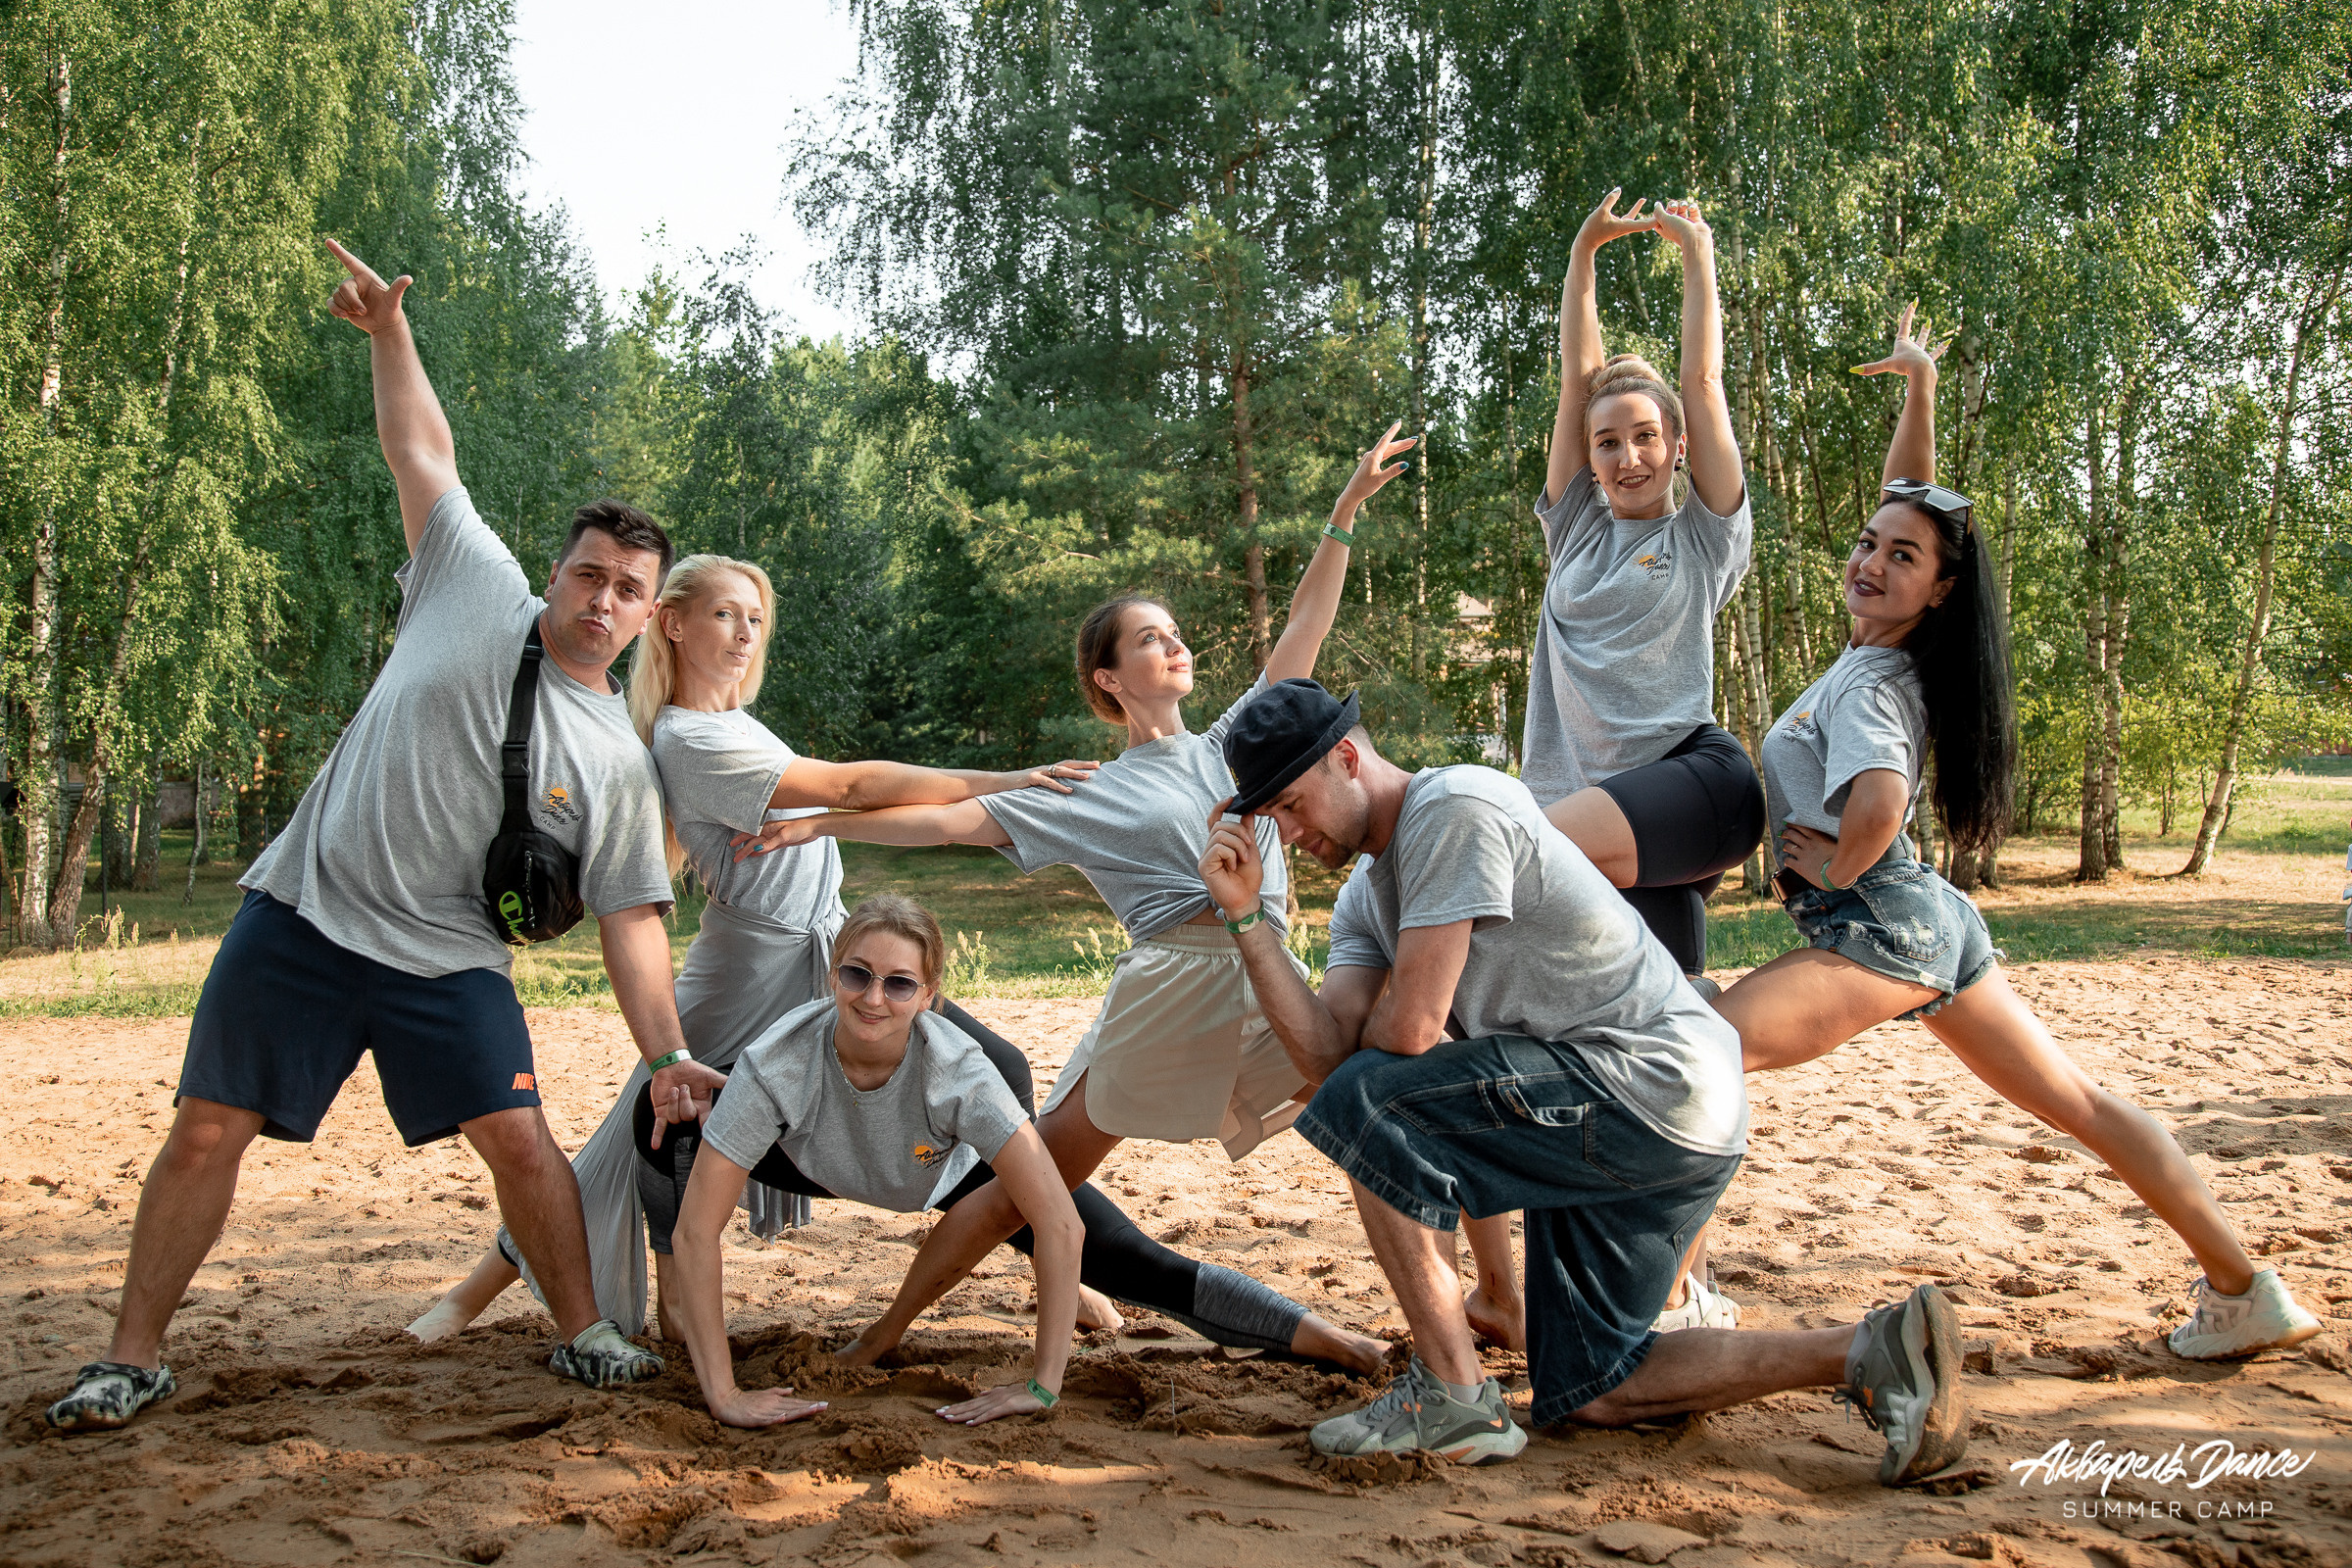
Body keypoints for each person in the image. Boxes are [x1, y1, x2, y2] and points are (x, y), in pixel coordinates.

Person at [44, 238, 721, 1432]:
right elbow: (422, 450)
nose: (599, 598)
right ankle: (131, 1356)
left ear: (646, 616)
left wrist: (666, 1058)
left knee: (521, 1138)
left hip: (450, 959)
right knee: (207, 1128)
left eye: (625, 588)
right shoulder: (471, 579)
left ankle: (581, 1332)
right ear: (556, 576)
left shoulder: (619, 759)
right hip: (303, 915)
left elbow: (632, 919)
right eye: (587, 574)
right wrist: (390, 334)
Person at [421, 554, 1331, 1358]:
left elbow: (851, 798)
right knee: (640, 1131)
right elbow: (854, 786)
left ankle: (1051, 1249)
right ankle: (519, 1292)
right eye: (723, 614)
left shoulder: (735, 724)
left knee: (986, 1087)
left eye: (755, 617)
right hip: (752, 971)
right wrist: (1004, 780)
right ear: (672, 622)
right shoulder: (688, 734)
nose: (742, 633)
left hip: (822, 954)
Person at [727, 425, 1432, 1377]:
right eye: (1151, 638)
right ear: (1109, 678)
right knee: (1028, 1189)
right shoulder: (1084, 790)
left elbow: (1302, 637)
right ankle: (879, 1336)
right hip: (1173, 990)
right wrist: (824, 822)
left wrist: (1340, 519)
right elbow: (947, 824)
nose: (1175, 644)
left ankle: (1461, 1320)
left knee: (1378, 1112)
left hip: (1268, 976)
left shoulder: (1240, 742)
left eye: (1174, 633)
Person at [1709, 305, 2322, 1361]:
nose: (1871, 561)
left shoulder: (1873, 684)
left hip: (1885, 927)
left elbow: (1879, 805)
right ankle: (2243, 1285)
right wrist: (1919, 391)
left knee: (1698, 1052)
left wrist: (1829, 865)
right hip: (1935, 920)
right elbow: (1916, 507)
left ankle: (1677, 1293)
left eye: (1900, 559)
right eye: (1866, 543)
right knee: (2080, 1101)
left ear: (1939, 591)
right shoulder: (1897, 655)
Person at [1193, 679, 1972, 1486]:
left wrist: (1367, 1038)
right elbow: (1327, 1054)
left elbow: (1408, 1035)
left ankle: (1452, 1395)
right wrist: (1248, 921)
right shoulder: (1366, 898)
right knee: (1593, 1388)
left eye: (1290, 805)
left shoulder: (1454, 805)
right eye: (1270, 819)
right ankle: (1872, 1350)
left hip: (1649, 1083)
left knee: (1366, 1099)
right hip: (1654, 1111)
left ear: (1347, 759)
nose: (1288, 832)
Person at [1465, 190, 1770, 1340]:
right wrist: (1582, 258)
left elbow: (1701, 387)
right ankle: (1660, 1282)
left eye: (1646, 438)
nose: (1629, 451)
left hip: (1673, 788)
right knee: (1655, 1048)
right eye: (1610, 441)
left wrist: (1696, 254)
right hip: (1588, 827)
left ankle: (1673, 1279)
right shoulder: (1577, 529)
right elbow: (1576, 375)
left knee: (1508, 893)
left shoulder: (1699, 536)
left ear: (1676, 449)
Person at [652, 897, 1085, 1427]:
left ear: (928, 995)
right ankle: (677, 1316)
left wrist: (1044, 1385)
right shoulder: (775, 1063)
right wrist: (724, 1395)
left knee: (1137, 1267)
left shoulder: (961, 1071)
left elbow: (1062, 1224)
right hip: (816, 1163)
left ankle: (1076, 1297)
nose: (874, 997)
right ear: (833, 976)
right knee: (658, 1122)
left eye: (900, 983)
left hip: (950, 1170)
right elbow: (695, 1232)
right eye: (858, 974)